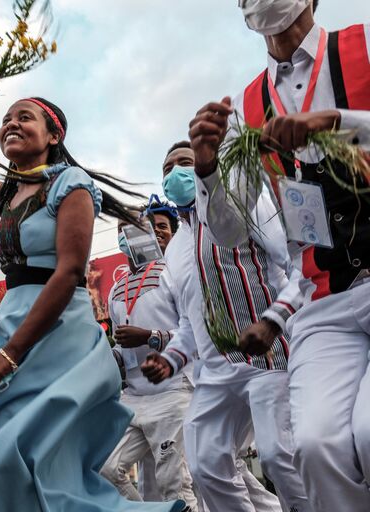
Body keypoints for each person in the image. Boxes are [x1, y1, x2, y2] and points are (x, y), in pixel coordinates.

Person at [0, 70, 184, 512]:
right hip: (11, 324)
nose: (11, 123)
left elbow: (70, 271)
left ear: (54, 134)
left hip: (54, 333)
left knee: (24, 457)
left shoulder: (70, 184)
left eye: (25, 117)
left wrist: (12, 353)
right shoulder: (8, 195)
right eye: (7, 120)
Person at [189, 1, 370, 509]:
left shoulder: (362, 45)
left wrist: (338, 122)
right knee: (314, 446)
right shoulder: (250, 104)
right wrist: (207, 171)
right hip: (325, 298)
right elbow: (227, 229)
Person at [142, 142, 310, 512]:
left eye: (184, 163)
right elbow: (188, 321)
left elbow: (294, 267)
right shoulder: (173, 249)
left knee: (278, 454)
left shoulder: (242, 205)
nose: (175, 174)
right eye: (167, 169)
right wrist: (170, 358)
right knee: (205, 465)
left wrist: (275, 321)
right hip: (215, 371)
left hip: (268, 356)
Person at [101, 201, 198, 510]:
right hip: (131, 399)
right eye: (118, 230)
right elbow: (120, 345)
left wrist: (150, 337)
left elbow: (194, 330)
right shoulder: (115, 288)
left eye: (129, 227)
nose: (124, 234)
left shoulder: (173, 273)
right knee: (105, 470)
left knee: (174, 484)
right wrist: (107, 358)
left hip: (172, 393)